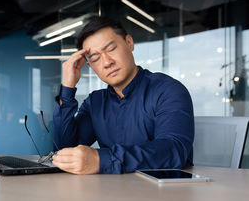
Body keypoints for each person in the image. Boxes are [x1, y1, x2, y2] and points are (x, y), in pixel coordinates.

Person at [51, 17, 194, 174]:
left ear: (129, 43)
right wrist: (67, 89)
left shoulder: (168, 90)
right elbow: (65, 152)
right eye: (95, 58)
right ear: (90, 66)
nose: (106, 62)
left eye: (111, 49)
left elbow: (174, 150)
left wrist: (102, 160)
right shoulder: (95, 102)